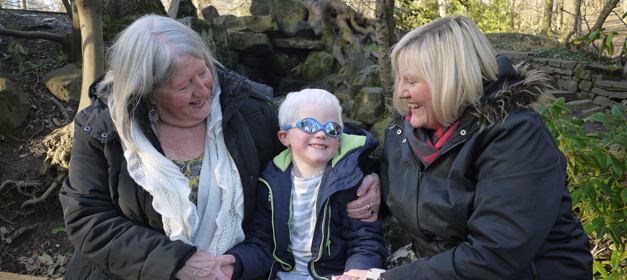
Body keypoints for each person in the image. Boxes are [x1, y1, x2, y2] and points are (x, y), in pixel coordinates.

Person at [58, 14, 381, 280]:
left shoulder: (247, 108)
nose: (203, 90)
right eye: (184, 85)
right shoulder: (104, 129)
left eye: (203, 72)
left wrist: (366, 170)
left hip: (238, 269)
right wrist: (175, 262)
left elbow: (311, 134)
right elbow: (87, 219)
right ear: (148, 90)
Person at [342, 15, 593, 280]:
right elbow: (411, 188)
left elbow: (496, 255)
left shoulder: (517, 135)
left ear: (449, 80)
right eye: (400, 80)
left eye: (412, 81)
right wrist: (374, 184)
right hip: (443, 264)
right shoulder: (405, 130)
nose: (400, 93)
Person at [223, 89, 387, 280]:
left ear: (340, 137)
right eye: (309, 125)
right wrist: (235, 263)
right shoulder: (270, 182)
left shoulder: (351, 181)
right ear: (285, 137)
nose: (321, 133)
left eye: (332, 127)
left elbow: (365, 242)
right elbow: (261, 243)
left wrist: (357, 272)